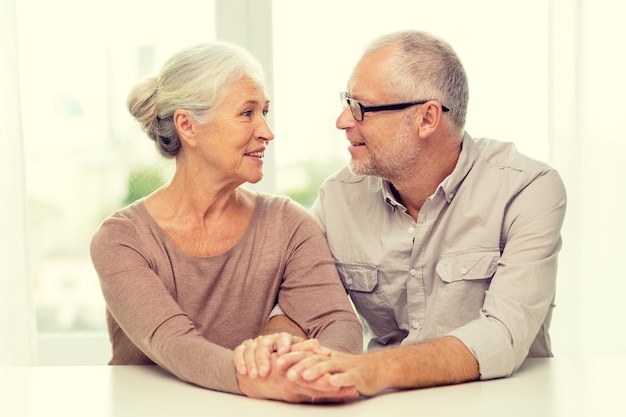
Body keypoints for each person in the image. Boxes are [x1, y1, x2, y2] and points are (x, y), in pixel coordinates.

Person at [234, 30, 567, 398]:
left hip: (506, 401)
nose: (343, 120)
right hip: (388, 404)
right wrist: (274, 349)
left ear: (427, 119)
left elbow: (503, 333)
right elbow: (300, 302)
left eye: (361, 107)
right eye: (347, 101)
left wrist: (367, 369)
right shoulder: (337, 198)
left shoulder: (528, 189)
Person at [89, 41, 363, 402]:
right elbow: (174, 342)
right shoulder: (121, 239)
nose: (267, 131)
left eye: (265, 111)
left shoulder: (289, 224)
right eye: (247, 113)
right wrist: (260, 378)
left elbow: (337, 323)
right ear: (187, 126)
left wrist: (319, 372)